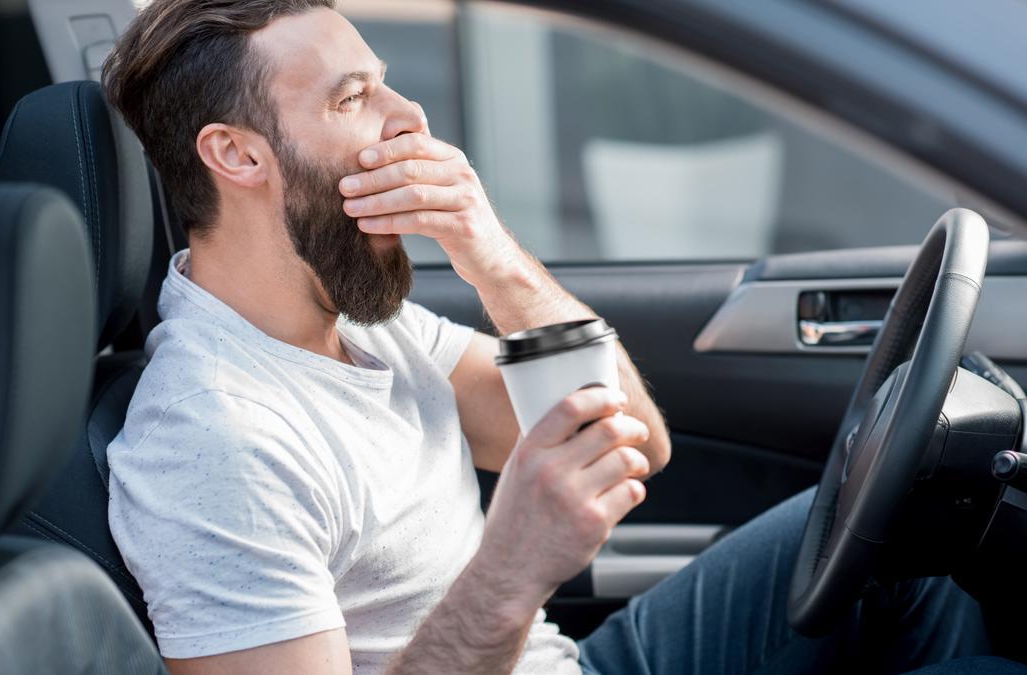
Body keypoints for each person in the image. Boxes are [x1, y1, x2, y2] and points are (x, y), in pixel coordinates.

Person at [100, 1, 1017, 673]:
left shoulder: (362, 326)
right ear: (239, 155)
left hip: (576, 663)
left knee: (907, 536)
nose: (409, 119)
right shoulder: (213, 440)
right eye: (353, 99)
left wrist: (492, 255)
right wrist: (510, 570)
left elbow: (631, 438)